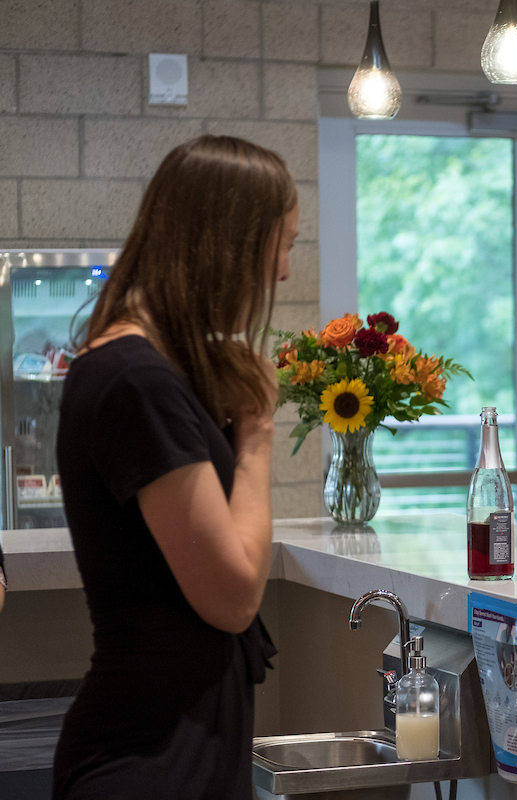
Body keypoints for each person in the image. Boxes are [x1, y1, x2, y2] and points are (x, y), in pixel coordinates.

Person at [53, 135, 297, 799]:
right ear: (231, 244)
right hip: (148, 761)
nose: (281, 272)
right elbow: (233, 595)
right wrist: (254, 436)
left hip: (178, 748)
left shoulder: (148, 374)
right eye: (283, 243)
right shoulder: (134, 380)